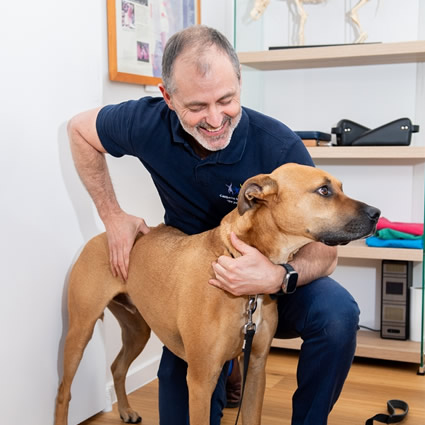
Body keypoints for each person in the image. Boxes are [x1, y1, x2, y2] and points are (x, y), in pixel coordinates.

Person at [67, 25, 360, 425]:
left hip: (274, 277)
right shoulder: (146, 122)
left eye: (227, 100)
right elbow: (80, 130)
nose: (215, 119)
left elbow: (326, 251)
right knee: (183, 406)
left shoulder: (278, 147)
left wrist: (276, 276)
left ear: (240, 83)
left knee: (337, 313)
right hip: (194, 281)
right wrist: (112, 214)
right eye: (196, 107)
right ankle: (225, 364)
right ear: (167, 97)